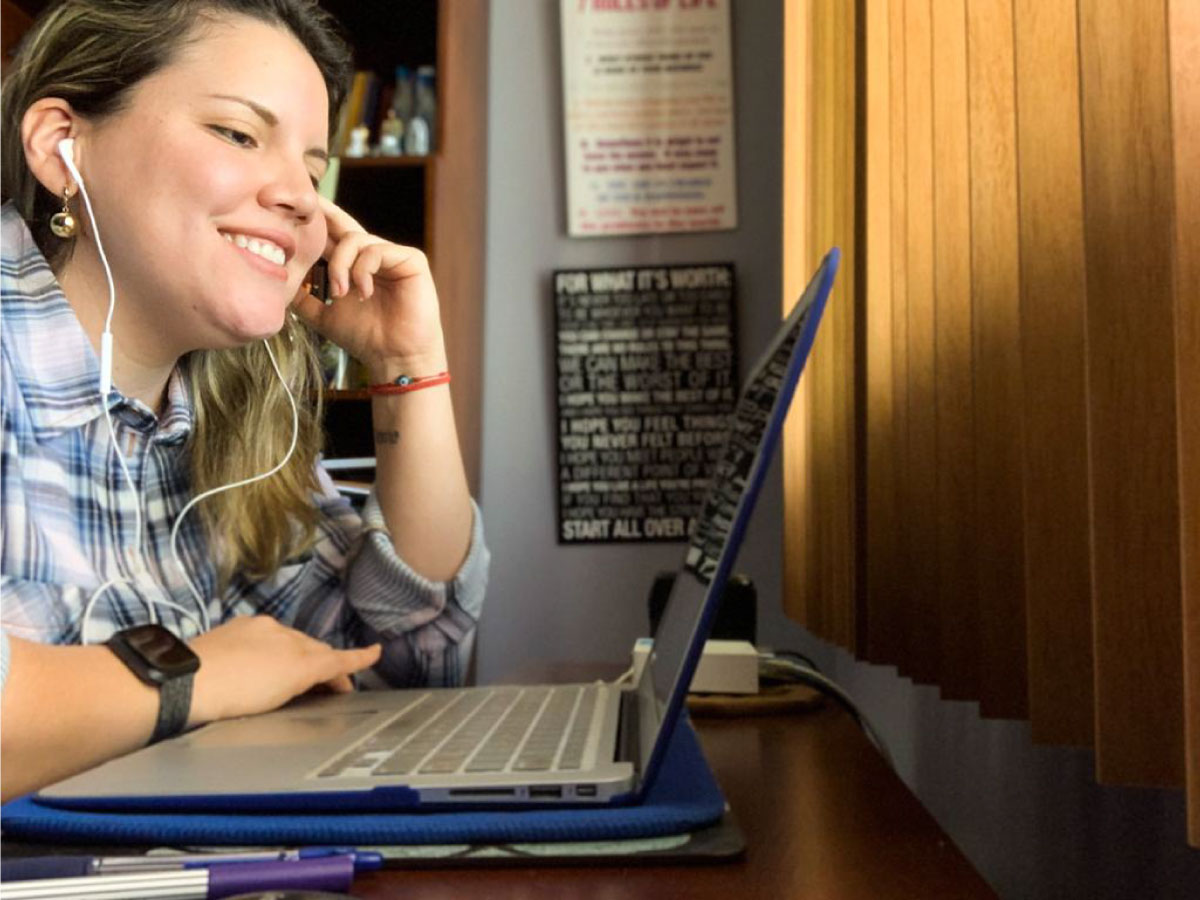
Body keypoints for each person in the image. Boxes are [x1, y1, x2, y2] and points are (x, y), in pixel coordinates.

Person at [0, 0, 488, 801]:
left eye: (310, 162)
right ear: (63, 146)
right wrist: (199, 678)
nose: (301, 197)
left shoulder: (224, 410)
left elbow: (406, 655)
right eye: (237, 133)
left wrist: (409, 368)